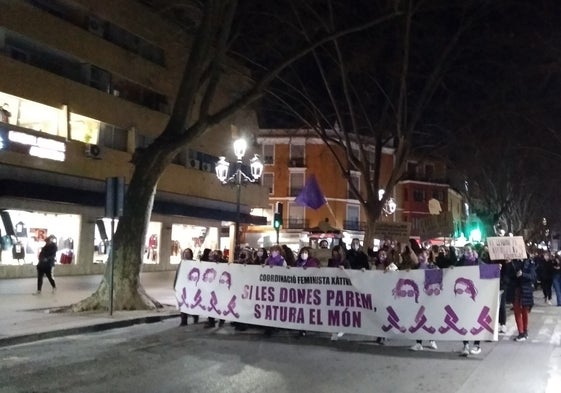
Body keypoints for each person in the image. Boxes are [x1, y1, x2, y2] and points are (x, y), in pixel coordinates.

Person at [506, 257, 536, 341]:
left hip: (526, 290)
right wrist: (508, 265)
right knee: (517, 311)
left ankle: (525, 331)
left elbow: (533, 276)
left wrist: (522, 274)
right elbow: (508, 276)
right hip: (515, 290)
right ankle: (521, 332)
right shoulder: (512, 262)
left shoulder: (530, 262)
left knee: (525, 311)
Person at [176, 248, 198, 326]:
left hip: (192, 288)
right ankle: (183, 321)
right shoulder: (181, 263)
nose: (186, 254)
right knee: (183, 304)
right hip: (183, 287)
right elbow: (178, 274)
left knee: (193, 303)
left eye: (188, 253)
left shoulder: (195, 263)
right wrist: (175, 284)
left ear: (191, 254)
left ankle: (195, 316)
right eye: (185, 252)